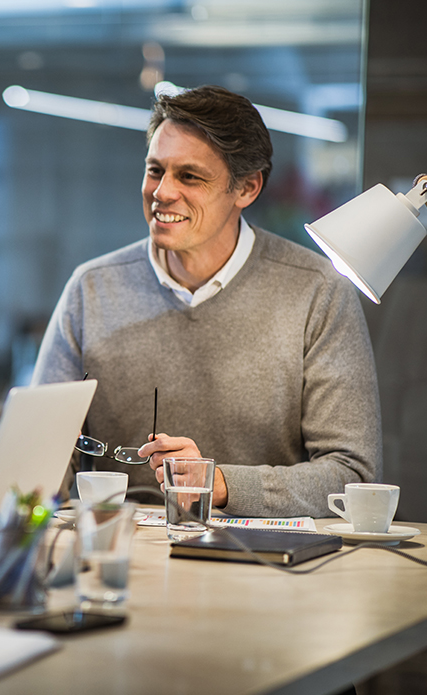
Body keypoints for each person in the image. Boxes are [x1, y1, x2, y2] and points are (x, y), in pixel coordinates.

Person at [32, 85, 381, 518]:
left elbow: (353, 476)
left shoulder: (317, 291)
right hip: (122, 555)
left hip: (263, 562)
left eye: (189, 176)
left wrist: (219, 483)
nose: (162, 192)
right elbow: (39, 457)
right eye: (155, 170)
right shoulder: (91, 288)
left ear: (247, 188)